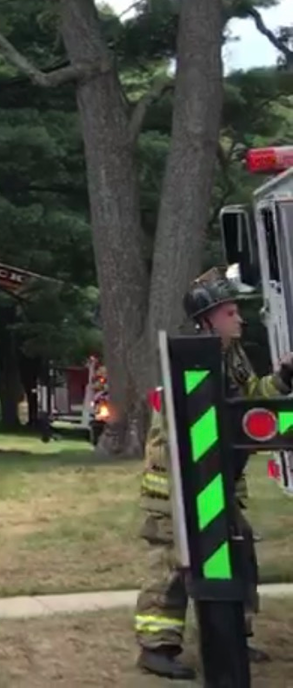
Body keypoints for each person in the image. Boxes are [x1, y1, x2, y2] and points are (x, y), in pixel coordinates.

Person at [135, 269, 293, 680]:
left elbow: (250, 399)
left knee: (237, 552)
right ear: (207, 320)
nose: (239, 319)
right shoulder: (188, 361)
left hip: (217, 483)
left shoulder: (231, 355)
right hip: (177, 487)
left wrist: (282, 379)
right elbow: (194, 427)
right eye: (230, 312)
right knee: (171, 567)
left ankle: (232, 637)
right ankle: (157, 647)